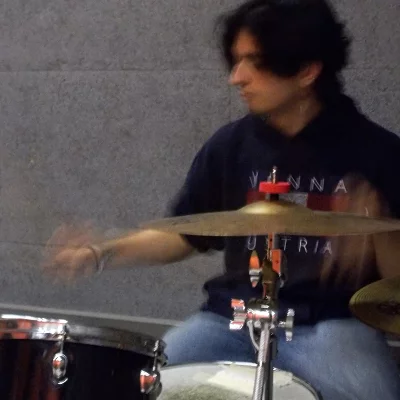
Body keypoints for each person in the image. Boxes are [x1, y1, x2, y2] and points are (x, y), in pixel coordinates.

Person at [44, 0, 400, 399]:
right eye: (236, 61)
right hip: (230, 320)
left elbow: (395, 288)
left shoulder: (378, 154)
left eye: (253, 62)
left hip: (330, 326)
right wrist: (99, 253)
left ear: (306, 70)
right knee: (143, 384)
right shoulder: (231, 146)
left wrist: (381, 228)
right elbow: (184, 233)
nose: (236, 77)